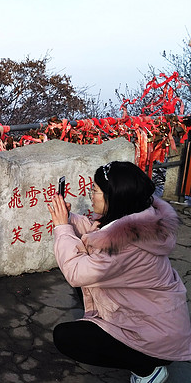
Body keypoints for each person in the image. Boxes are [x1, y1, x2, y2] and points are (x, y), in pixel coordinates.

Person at [47, 161, 191, 383]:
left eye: (95, 190)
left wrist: (61, 227)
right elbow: (100, 233)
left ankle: (146, 368)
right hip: (155, 322)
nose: (91, 194)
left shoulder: (125, 245)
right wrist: (69, 219)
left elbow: (75, 271)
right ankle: (139, 353)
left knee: (67, 338)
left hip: (157, 338)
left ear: (113, 197)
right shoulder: (137, 218)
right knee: (85, 283)